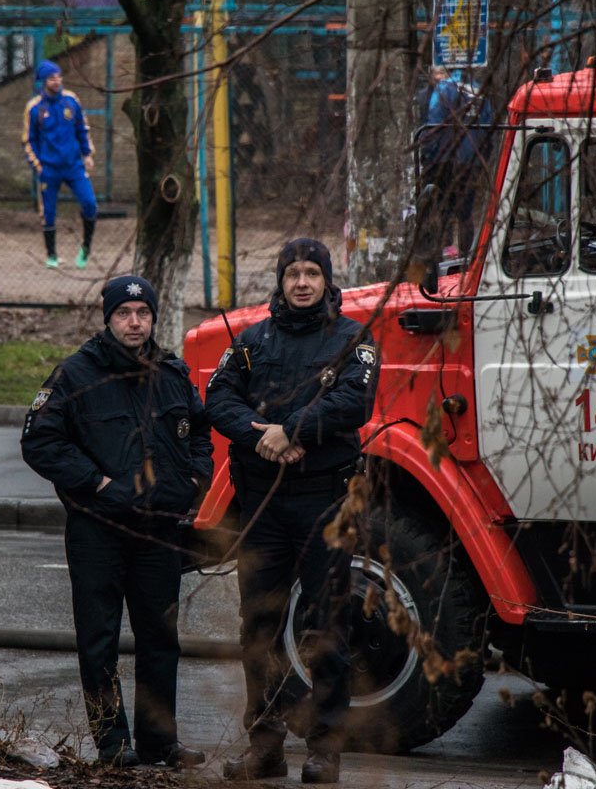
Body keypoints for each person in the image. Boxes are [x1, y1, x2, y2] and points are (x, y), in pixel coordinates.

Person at [205, 239, 379, 785]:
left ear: (327, 280)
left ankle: (325, 748)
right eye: (292, 274)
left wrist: (293, 429)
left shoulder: (354, 340)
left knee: (326, 622)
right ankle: (265, 745)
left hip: (323, 502)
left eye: (311, 274)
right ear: (280, 281)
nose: (301, 283)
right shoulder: (252, 341)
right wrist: (262, 438)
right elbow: (217, 395)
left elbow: (355, 402)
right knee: (258, 623)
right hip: (262, 503)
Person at [20, 275, 212, 770]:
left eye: (142, 313)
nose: (134, 321)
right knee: (99, 640)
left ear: (153, 317)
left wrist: (194, 480)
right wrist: (96, 483)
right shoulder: (77, 375)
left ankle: (159, 741)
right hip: (98, 530)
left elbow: (200, 432)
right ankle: (112, 744)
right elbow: (39, 441)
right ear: (108, 318)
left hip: (159, 530)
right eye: (124, 313)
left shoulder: (171, 373)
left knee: (160, 639)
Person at [22, 59, 97, 269]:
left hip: (74, 166)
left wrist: (87, 154)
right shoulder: (34, 108)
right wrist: (39, 166)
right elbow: (28, 140)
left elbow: (82, 128)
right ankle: (52, 256)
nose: (57, 81)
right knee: (48, 213)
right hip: (49, 169)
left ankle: (86, 248)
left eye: (58, 77)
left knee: (90, 203)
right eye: (52, 78)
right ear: (44, 81)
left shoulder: (71, 101)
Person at [419, 66, 491, 254]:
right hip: (472, 160)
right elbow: (488, 129)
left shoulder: (443, 90)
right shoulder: (479, 92)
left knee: (444, 210)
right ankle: (466, 259)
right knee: (465, 214)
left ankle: (443, 259)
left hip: (445, 158)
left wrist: (427, 156)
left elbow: (433, 126)